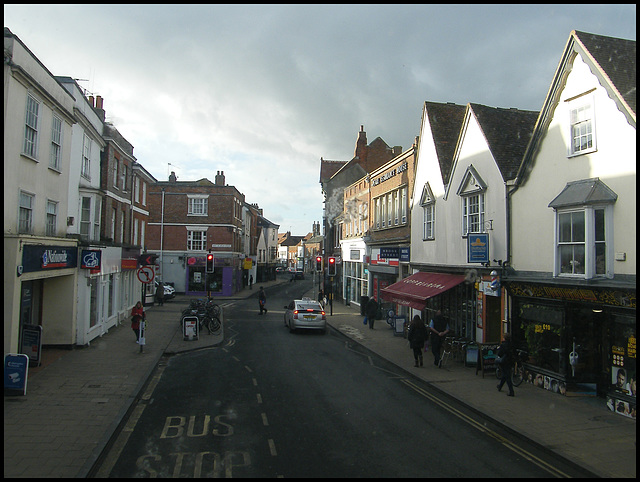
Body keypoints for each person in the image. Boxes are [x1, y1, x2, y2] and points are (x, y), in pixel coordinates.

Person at [496, 332, 515, 397]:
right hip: (510, 362)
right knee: (505, 374)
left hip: (504, 362)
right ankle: (500, 386)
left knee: (507, 376)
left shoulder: (503, 345)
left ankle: (511, 391)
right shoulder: (511, 344)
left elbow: (499, 354)